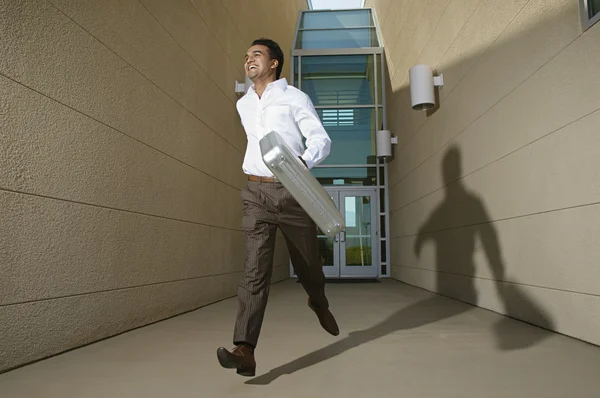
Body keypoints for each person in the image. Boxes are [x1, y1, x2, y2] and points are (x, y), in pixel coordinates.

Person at [216, 38, 339, 377]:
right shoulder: (243, 105)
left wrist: (302, 161)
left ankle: (317, 299)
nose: (248, 60)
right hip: (256, 192)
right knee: (255, 270)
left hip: (294, 190)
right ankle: (245, 349)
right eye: (246, 56)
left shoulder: (293, 97)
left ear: (274, 63)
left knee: (309, 265)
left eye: (256, 54)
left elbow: (320, 139)